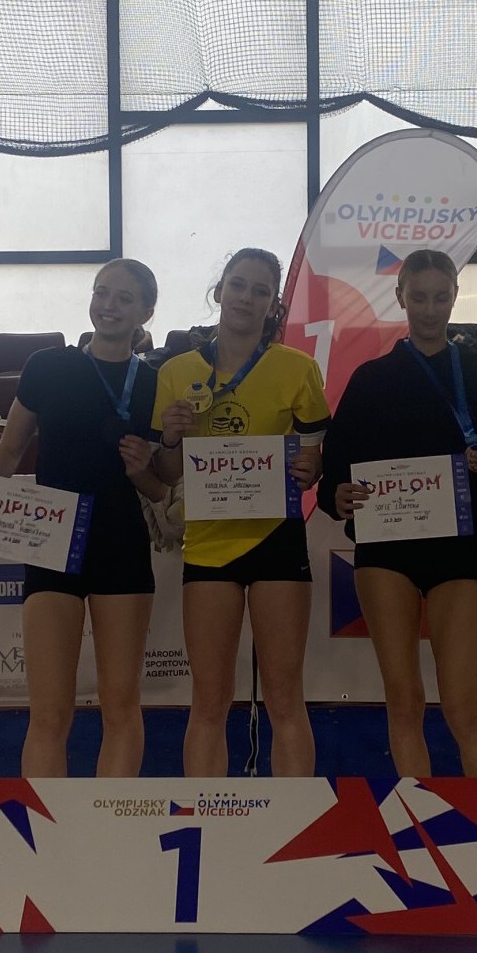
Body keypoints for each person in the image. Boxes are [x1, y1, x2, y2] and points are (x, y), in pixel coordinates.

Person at [320, 249, 477, 784]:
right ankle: (418, 818)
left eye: (440, 297)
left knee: (463, 707)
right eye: (418, 297)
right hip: (387, 550)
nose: (429, 309)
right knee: (404, 701)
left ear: (455, 297)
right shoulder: (370, 379)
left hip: (461, 550)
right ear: (400, 298)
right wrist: (337, 495)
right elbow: (335, 471)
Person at [0, 259, 168, 777]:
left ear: (146, 311)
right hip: (50, 543)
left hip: (121, 545)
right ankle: (44, 825)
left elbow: (163, 483)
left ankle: (111, 821)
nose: (108, 305)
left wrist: (144, 468)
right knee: (49, 713)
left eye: (124, 298)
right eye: (102, 292)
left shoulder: (155, 383)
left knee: (120, 707)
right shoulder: (47, 366)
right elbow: (8, 449)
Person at [151, 247, 329, 777]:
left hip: (277, 539)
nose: (246, 298)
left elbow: (314, 455)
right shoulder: (176, 372)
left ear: (273, 304)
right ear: (219, 290)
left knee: (285, 697)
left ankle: (293, 818)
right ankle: (206, 815)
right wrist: (170, 437)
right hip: (208, 545)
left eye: (260, 290)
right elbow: (167, 471)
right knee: (209, 700)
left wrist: (312, 467)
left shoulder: (298, 368)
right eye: (237, 285)